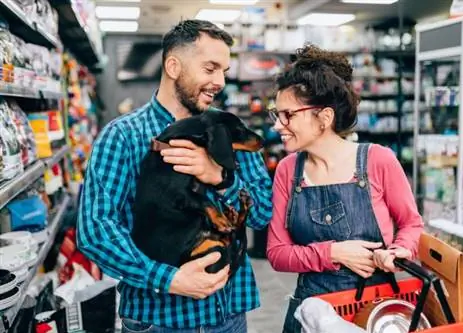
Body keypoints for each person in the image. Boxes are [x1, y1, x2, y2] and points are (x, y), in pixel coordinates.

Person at [77, 20, 273, 333]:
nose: (220, 81)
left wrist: (221, 179)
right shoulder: (124, 136)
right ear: (173, 66)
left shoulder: (228, 129)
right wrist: (168, 279)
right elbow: (95, 231)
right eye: (210, 68)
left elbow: (262, 214)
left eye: (223, 70)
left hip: (228, 317)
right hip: (158, 320)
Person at [265, 45, 424, 333]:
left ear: (324, 118)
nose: (278, 125)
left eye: (287, 115)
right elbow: (277, 253)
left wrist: (398, 251)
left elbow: (411, 224)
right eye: (276, 114)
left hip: (372, 311)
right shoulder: (289, 170)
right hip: (310, 312)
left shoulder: (378, 160)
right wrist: (333, 252)